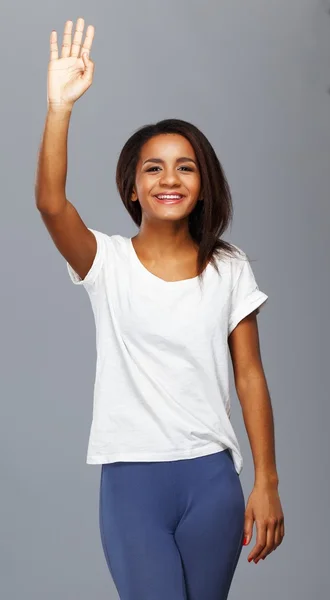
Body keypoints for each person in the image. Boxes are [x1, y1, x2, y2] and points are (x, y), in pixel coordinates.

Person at [35, 17, 285, 600]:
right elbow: (51, 204)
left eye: (185, 166)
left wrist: (266, 480)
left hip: (212, 480)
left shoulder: (229, 267)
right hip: (132, 482)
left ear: (203, 183)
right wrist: (58, 108)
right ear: (132, 186)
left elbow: (250, 377)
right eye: (154, 167)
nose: (169, 178)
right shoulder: (106, 262)